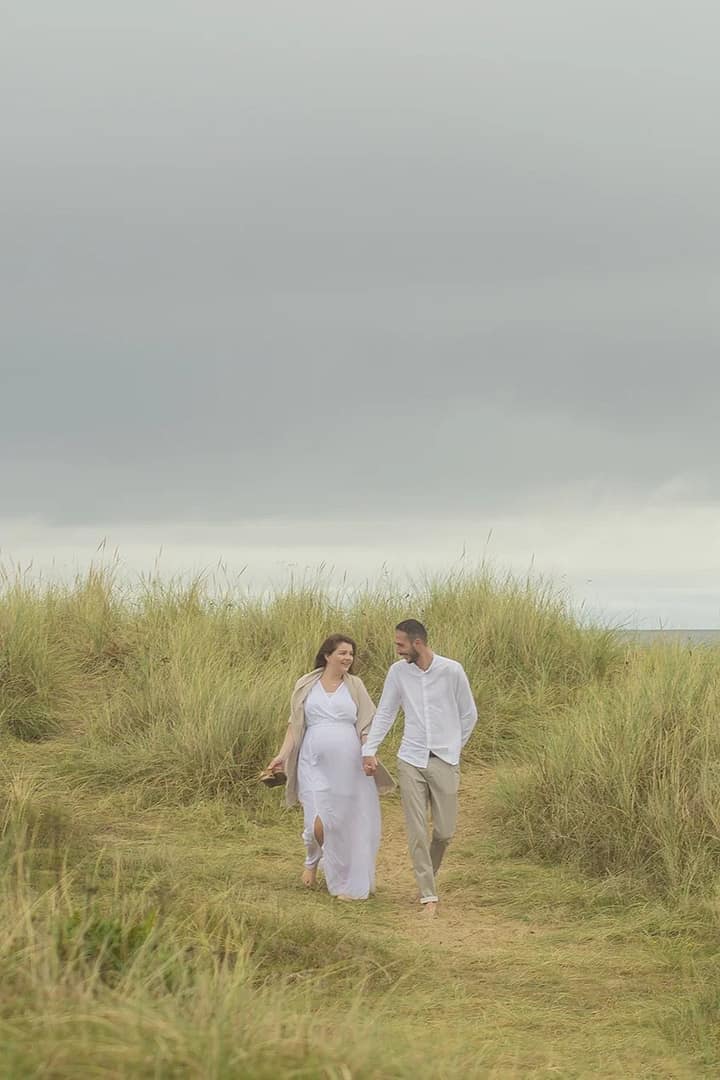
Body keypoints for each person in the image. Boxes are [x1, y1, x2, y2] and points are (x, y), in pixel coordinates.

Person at [362, 619, 477, 915]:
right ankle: (428, 894)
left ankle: (429, 877)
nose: (397, 650)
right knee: (416, 830)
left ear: (417, 643)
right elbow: (386, 712)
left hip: (445, 760)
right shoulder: (397, 673)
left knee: (444, 832)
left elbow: (469, 715)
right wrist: (369, 749)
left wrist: (454, 747)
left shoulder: (452, 670)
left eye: (401, 644)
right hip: (410, 759)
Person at [267, 634, 394, 900]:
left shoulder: (355, 685)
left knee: (344, 822)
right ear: (327, 655)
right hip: (312, 760)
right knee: (317, 822)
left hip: (349, 765)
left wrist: (368, 754)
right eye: (342, 653)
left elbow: (366, 725)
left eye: (351, 653)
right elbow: (294, 725)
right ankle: (312, 860)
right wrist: (281, 756)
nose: (348, 658)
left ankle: (345, 881)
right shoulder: (306, 684)